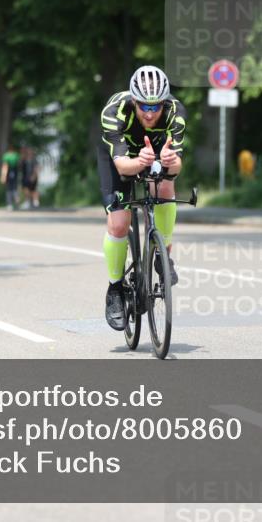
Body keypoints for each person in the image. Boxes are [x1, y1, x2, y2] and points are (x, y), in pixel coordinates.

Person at [98, 65, 186, 331]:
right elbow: (123, 167)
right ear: (134, 101)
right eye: (144, 107)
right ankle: (115, 289)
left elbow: (177, 167)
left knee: (165, 188)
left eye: (156, 107)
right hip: (120, 158)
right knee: (119, 224)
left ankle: (163, 255)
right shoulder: (114, 112)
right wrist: (139, 162)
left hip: (155, 151)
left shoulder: (175, 112)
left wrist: (170, 162)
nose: (150, 113)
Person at [0, 143, 20, 210]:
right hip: (15, 172)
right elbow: (19, 164)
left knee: (9, 189)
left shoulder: (6, 156)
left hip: (8, 173)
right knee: (15, 189)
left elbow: (5, 166)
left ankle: (9, 204)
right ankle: (17, 202)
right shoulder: (16, 155)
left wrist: (3, 176)